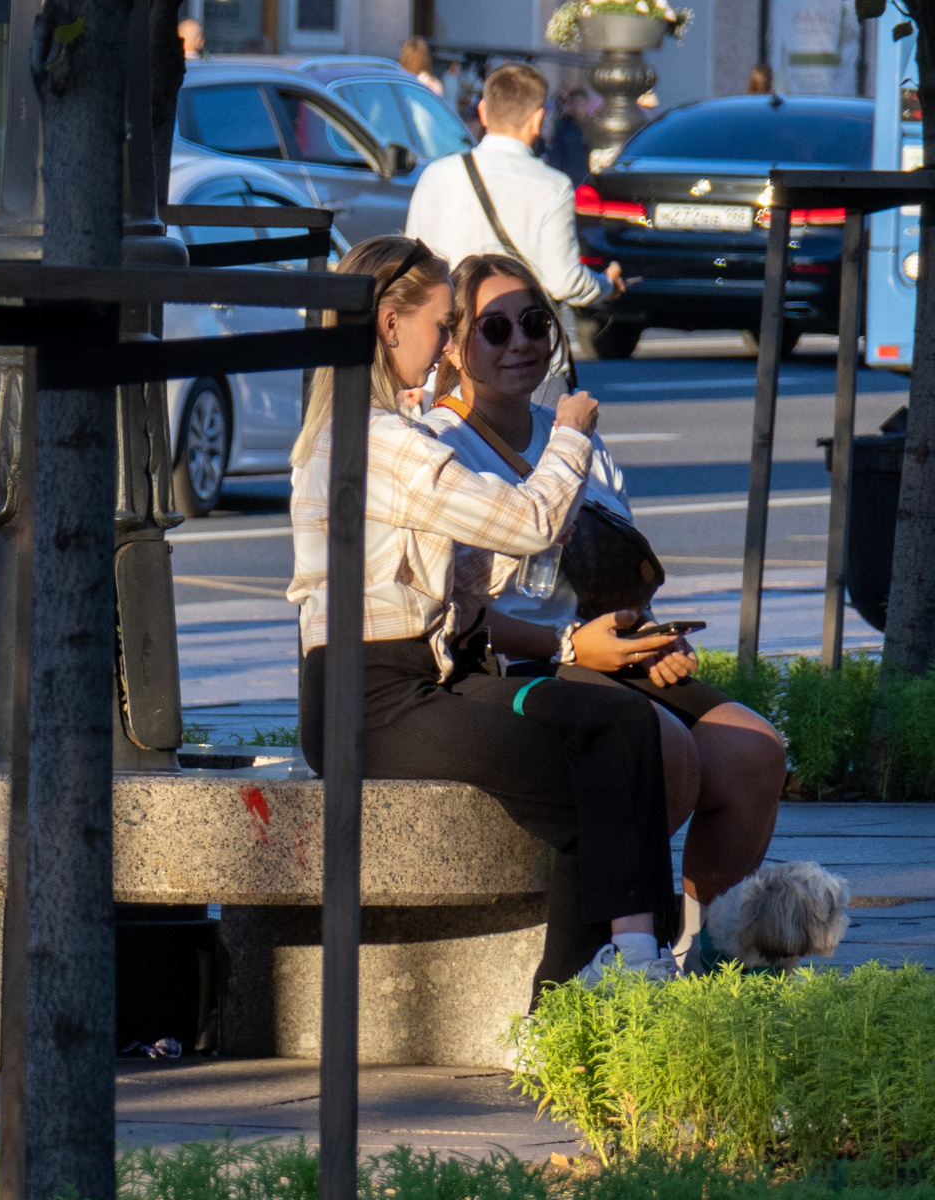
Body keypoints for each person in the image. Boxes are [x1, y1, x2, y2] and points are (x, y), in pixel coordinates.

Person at [287, 236, 679, 991]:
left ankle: (620, 966)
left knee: (617, 729)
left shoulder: (380, 435)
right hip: (370, 697)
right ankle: (602, 983)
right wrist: (570, 433)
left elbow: (460, 577)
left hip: (426, 675)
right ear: (389, 325)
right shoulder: (379, 443)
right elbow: (531, 522)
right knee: (592, 770)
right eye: (443, 326)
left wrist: (522, 577)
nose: (446, 350)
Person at [426, 253, 787, 949]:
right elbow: (445, 611)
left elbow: (609, 566)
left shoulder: (574, 431)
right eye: (493, 328)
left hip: (601, 652)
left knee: (752, 752)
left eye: (534, 322)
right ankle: (626, 953)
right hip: (514, 664)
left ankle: (704, 955)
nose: (522, 342)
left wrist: (648, 634)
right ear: (452, 341)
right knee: (667, 749)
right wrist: (570, 645)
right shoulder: (440, 445)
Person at [406, 63, 624, 324]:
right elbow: (563, 281)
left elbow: (414, 263)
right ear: (537, 120)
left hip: (450, 333)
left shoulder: (436, 174)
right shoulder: (552, 186)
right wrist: (606, 285)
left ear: (483, 112)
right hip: (515, 336)